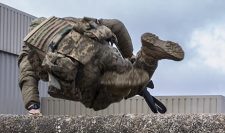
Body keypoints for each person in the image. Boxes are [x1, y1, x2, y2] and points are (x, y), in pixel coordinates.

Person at [18, 16, 184, 115]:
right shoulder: (71, 23)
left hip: (81, 72)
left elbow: (27, 78)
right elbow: (117, 25)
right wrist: (130, 57)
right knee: (131, 78)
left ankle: (117, 84)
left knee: (98, 102)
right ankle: (147, 54)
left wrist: (33, 105)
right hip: (104, 51)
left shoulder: (29, 50)